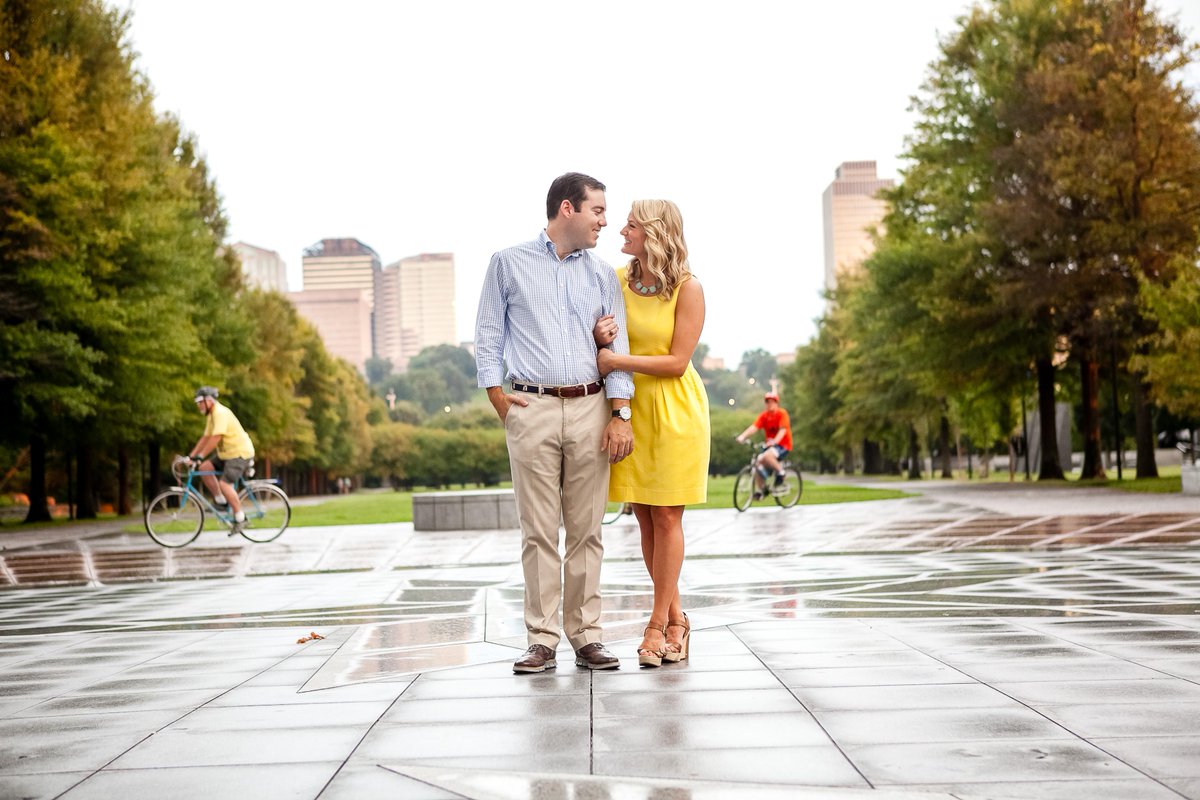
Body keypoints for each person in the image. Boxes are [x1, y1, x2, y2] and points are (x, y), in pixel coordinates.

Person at [474, 172, 635, 674]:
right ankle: (541, 639)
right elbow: (486, 336)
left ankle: (587, 635)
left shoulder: (603, 274)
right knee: (539, 531)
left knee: (587, 530)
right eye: (598, 211)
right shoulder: (507, 264)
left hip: (590, 408)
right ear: (568, 209)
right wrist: (500, 400)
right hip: (531, 408)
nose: (605, 222)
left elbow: (618, 348)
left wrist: (619, 412)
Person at [593, 199, 709, 668]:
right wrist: (601, 339)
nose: (622, 230)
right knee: (644, 517)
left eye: (632, 225)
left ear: (655, 233)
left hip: (676, 411)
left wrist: (617, 359)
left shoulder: (688, 287)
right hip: (630, 409)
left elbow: (677, 361)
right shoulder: (617, 281)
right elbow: (602, 339)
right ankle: (677, 619)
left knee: (667, 518)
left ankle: (656, 624)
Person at [186, 386, 255, 533]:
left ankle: (240, 517)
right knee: (204, 468)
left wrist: (200, 455)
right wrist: (192, 456)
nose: (199, 406)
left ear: (209, 401)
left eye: (201, 402)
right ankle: (221, 501)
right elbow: (206, 438)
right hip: (226, 454)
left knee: (225, 485)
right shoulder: (211, 416)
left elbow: (216, 437)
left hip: (239, 452)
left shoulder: (220, 413)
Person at [736, 392, 793, 498]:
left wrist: (775, 441)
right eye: (767, 402)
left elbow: (783, 430)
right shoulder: (764, 416)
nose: (770, 404)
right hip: (770, 446)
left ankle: (781, 472)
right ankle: (761, 489)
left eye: (772, 402)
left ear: (777, 403)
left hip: (783, 445)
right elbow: (754, 427)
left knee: (767, 456)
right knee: (758, 462)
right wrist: (742, 437)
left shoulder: (782, 414)